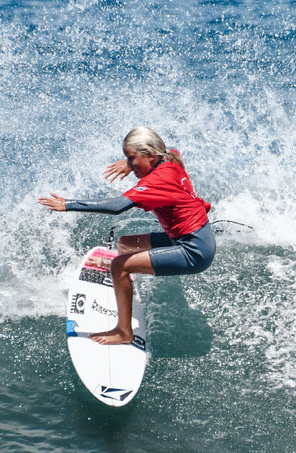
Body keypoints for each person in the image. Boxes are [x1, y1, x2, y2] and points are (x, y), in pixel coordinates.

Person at [38, 127, 216, 345]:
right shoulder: (171, 159)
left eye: (132, 159)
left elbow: (117, 206)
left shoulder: (156, 181)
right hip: (188, 235)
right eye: (127, 159)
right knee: (126, 243)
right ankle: (122, 274)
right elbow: (171, 148)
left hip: (194, 251)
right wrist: (128, 162)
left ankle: (124, 332)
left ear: (151, 155)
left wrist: (68, 204)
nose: (130, 166)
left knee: (120, 264)